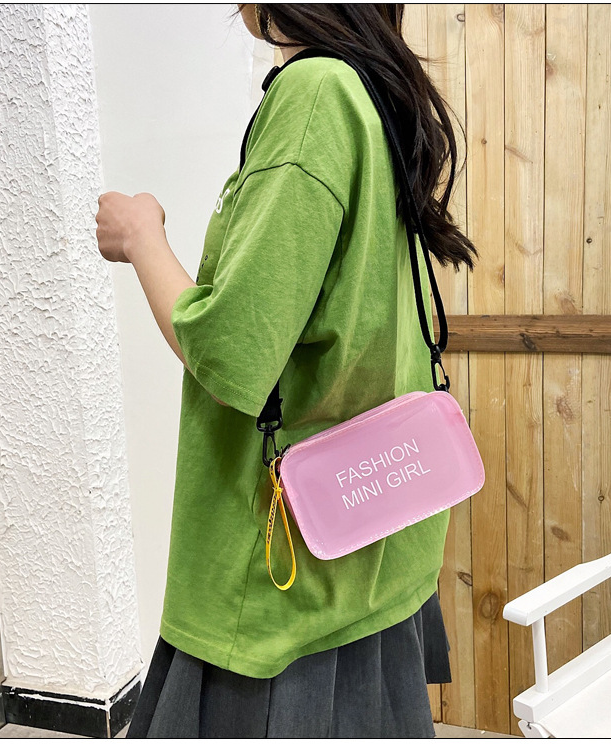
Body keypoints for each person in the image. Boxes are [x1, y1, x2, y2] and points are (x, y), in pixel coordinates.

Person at [96, 4, 478, 738]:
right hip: (371, 552)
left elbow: (231, 354)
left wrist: (142, 238)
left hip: (284, 576)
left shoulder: (314, 94)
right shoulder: (371, 91)